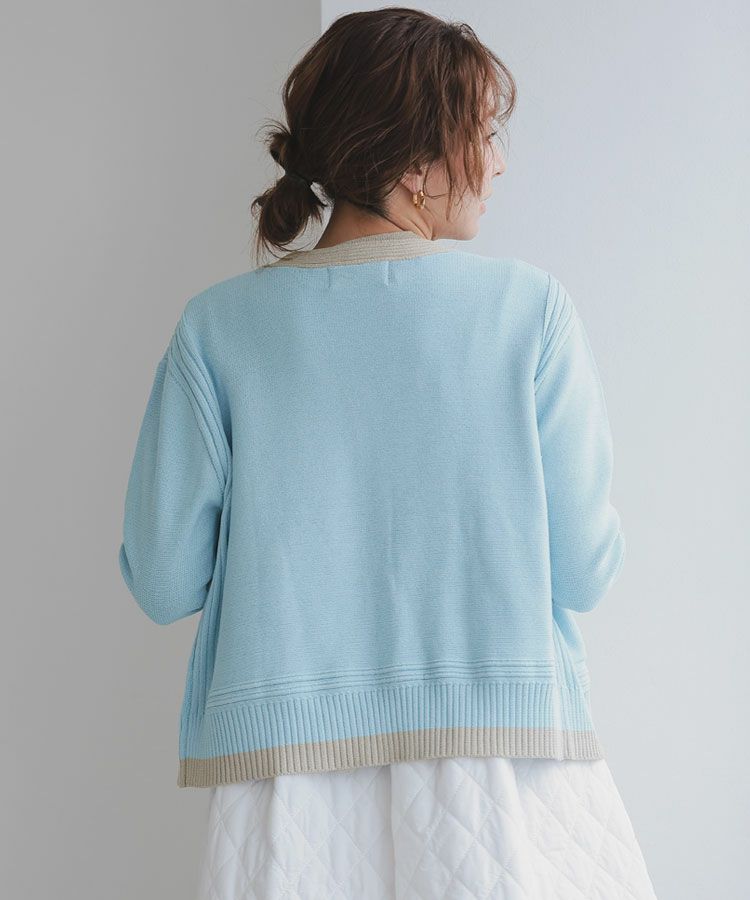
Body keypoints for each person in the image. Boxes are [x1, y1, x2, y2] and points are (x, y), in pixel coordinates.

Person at [117, 8, 659, 899]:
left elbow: (163, 581)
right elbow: (586, 570)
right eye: (483, 133)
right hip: (504, 776)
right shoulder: (532, 313)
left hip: (287, 791)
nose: (499, 162)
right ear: (414, 164)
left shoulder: (216, 330)